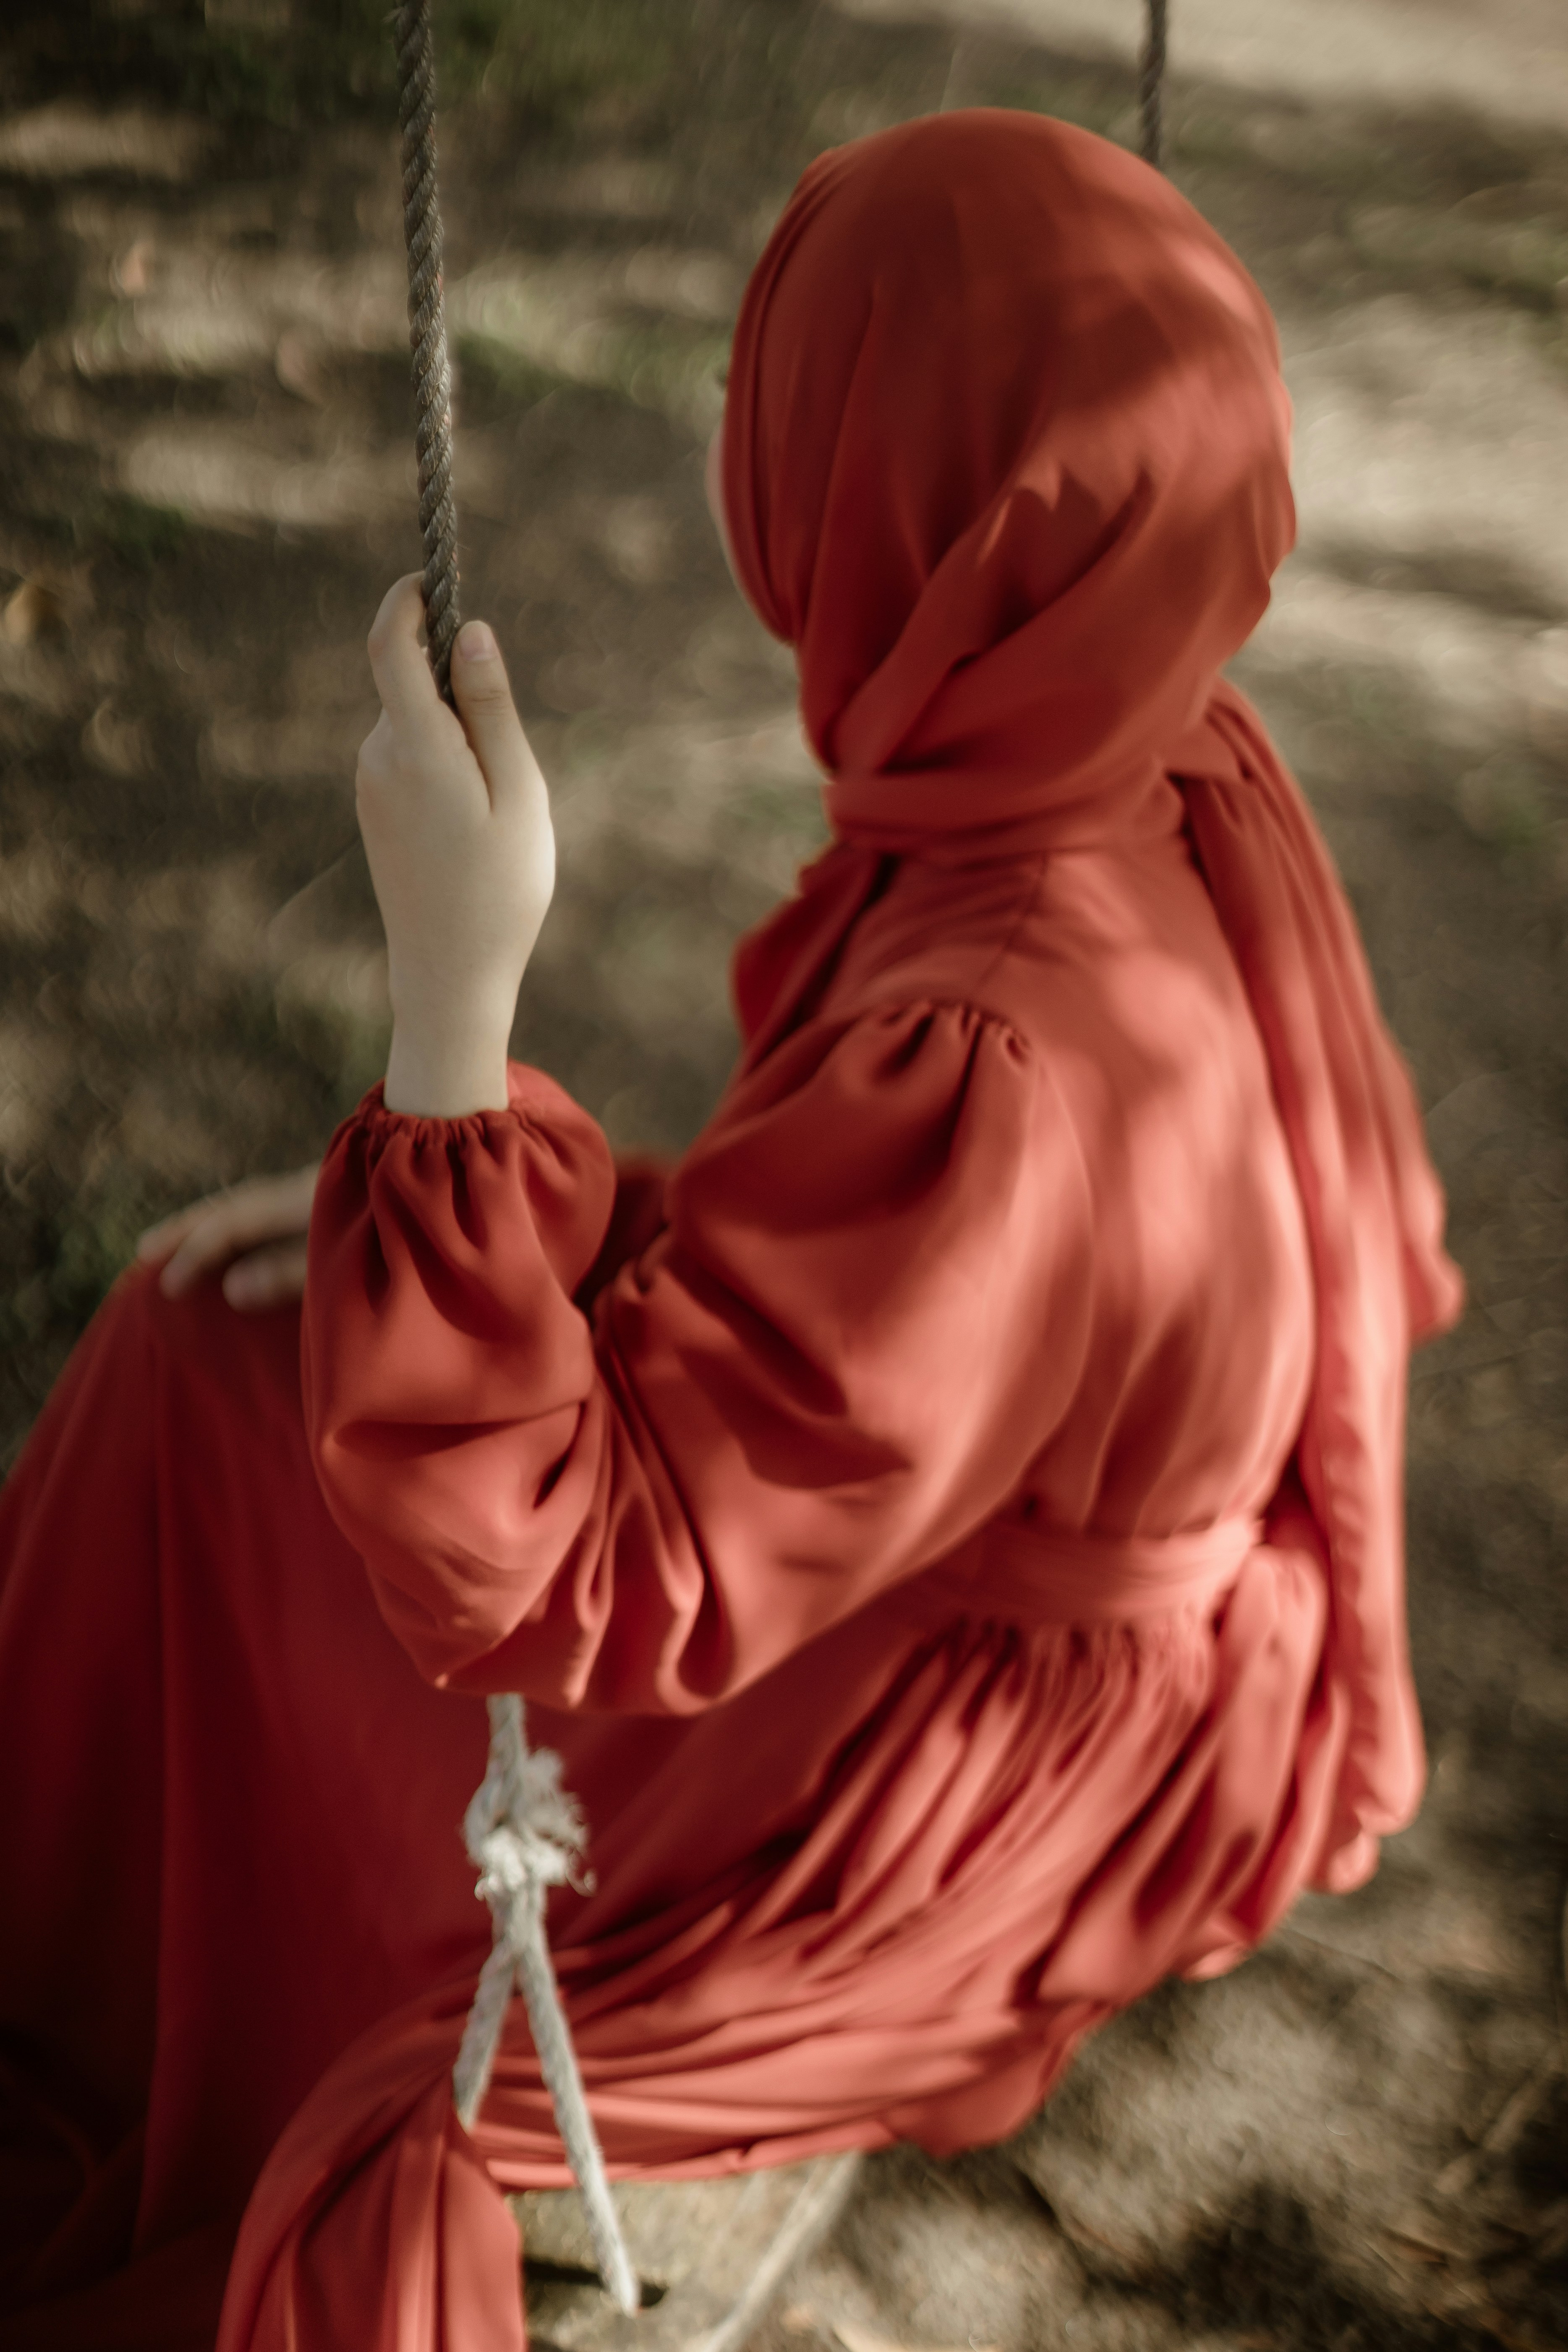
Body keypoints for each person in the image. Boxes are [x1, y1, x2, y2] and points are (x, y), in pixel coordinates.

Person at [0, 108, 1461, 2352]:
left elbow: (584, 1574)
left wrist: (454, 1020)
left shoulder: (995, 1036)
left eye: (776, 403)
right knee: (212, 1342)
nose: (727, 437)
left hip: (917, 1780)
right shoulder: (1162, 753)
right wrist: (475, 1232)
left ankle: (95, 2006)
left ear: (902, 512)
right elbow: (925, 1325)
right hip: (989, 1556)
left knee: (200, 1423)